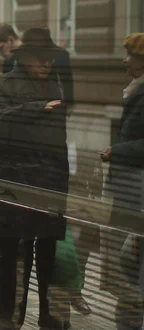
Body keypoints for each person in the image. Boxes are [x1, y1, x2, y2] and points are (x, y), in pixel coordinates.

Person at [0, 28, 71, 330]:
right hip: (15, 182)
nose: (46, 65)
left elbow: (59, 141)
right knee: (13, 253)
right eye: (41, 60)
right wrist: (37, 109)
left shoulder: (56, 85)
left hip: (49, 183)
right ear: (25, 58)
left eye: (50, 59)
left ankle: (46, 314)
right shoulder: (4, 84)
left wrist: (63, 182)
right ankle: (8, 316)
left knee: (47, 252)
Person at [100, 33, 144, 330]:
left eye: (130, 55)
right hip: (130, 187)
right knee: (127, 259)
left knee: (129, 259)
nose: (124, 61)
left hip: (137, 189)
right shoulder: (135, 90)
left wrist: (117, 150)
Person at [0, 23, 74, 110]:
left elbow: (66, 81)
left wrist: (68, 104)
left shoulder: (55, 55)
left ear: (10, 39)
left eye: (0, 48)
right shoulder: (8, 62)